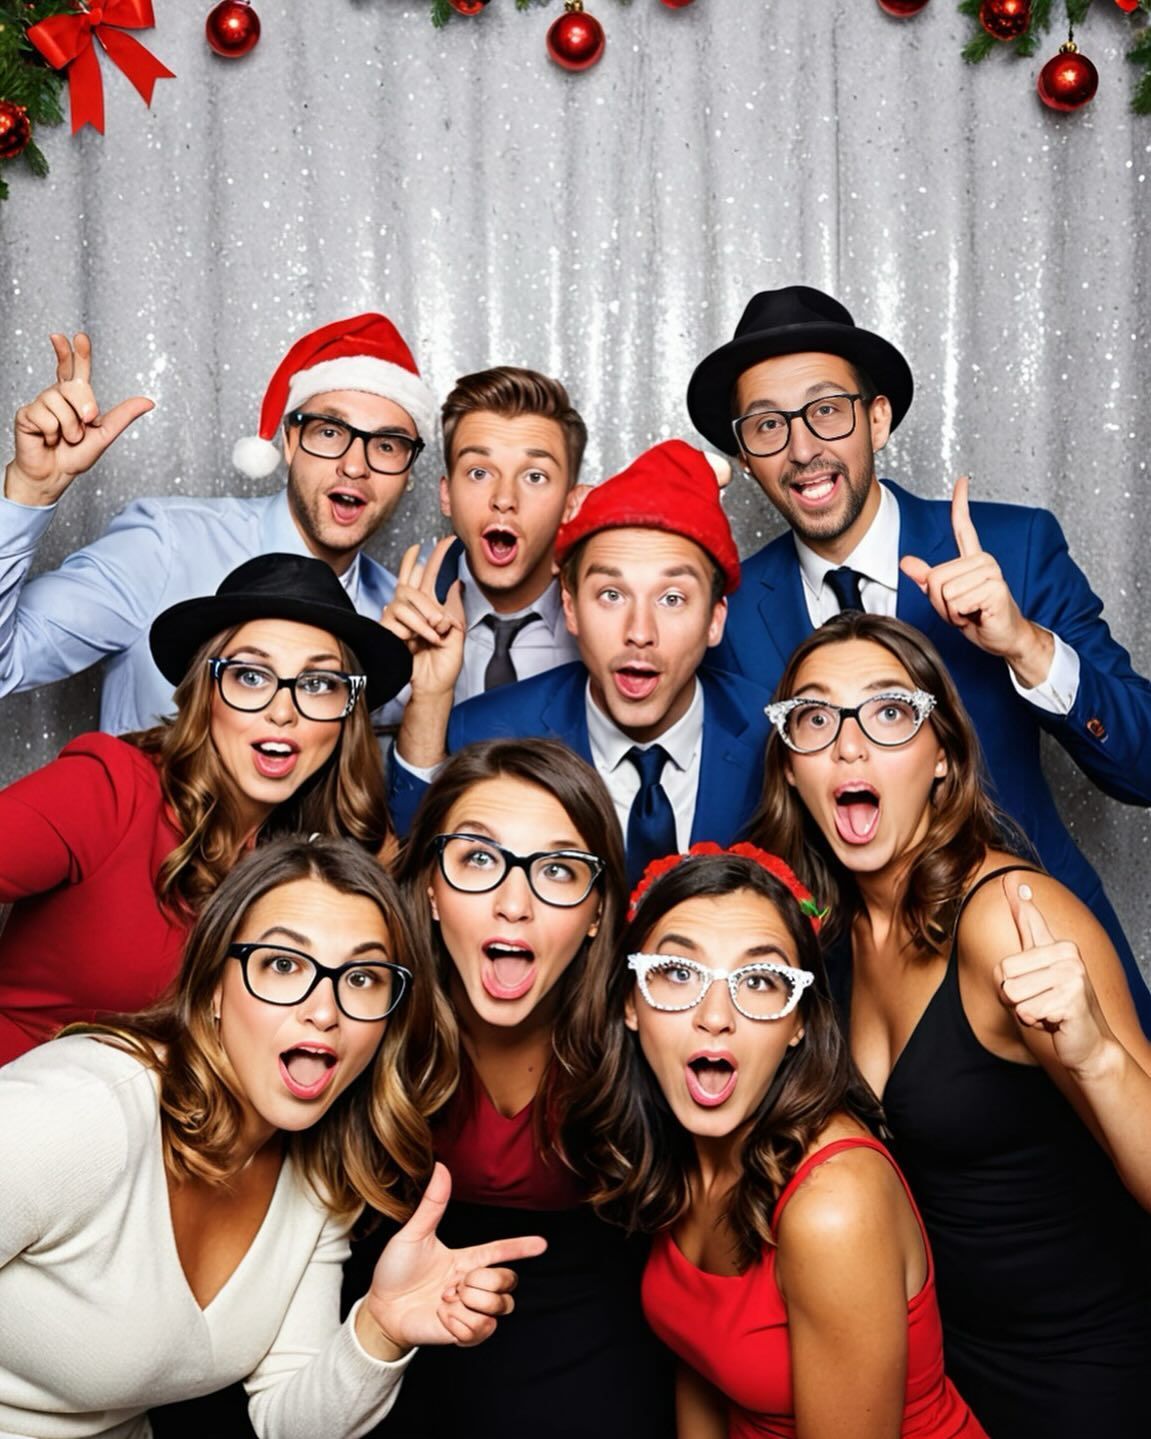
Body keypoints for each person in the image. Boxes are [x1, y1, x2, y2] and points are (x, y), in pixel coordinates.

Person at [686, 284, 1151, 1029]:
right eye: (768, 425)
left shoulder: (1015, 549)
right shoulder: (727, 615)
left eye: (825, 410)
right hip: (864, 1009)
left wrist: (1025, 646)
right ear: (744, 456)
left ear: (876, 418)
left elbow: (1142, 763)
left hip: (1043, 964)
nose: (802, 448)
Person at [749, 612, 1151, 1438]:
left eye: (888, 712)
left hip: (1086, 1367)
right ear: (790, 767)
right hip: (943, 1371)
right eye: (815, 718)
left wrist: (1099, 1057)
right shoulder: (827, 933)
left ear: (942, 758)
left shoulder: (1007, 916)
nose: (848, 747)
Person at [0, 835, 546, 1437]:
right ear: (213, 987)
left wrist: (379, 1331)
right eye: (283, 965)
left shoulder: (317, 1178)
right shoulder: (80, 1111)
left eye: (362, 977)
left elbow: (291, 1424)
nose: (324, 1010)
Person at [580, 842, 985, 1439]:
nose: (715, 1015)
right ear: (630, 1005)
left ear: (799, 1021)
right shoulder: (684, 1147)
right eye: (676, 972)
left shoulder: (833, 1203)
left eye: (760, 980)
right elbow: (702, 1365)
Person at [345, 739, 675, 1438]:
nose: (512, 904)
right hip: (395, 1364)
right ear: (429, 887)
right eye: (479, 859)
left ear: (596, 913)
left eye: (556, 869)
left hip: (600, 1381)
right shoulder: (364, 1026)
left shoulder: (646, 1044)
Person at [0, 551, 412, 1062]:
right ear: (206, 689)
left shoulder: (316, 859)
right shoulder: (111, 788)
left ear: (347, 714)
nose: (282, 711)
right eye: (251, 676)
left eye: (318, 684)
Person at [0, 313, 436, 732]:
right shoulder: (165, 545)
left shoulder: (397, 622)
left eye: (387, 445)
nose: (355, 466)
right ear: (287, 441)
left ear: (410, 469)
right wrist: (28, 492)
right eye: (329, 432)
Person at [387, 439, 773, 883]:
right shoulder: (484, 733)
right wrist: (429, 703)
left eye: (672, 598)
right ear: (569, 607)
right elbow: (416, 881)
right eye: (611, 595)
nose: (640, 632)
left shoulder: (773, 740)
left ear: (714, 619)